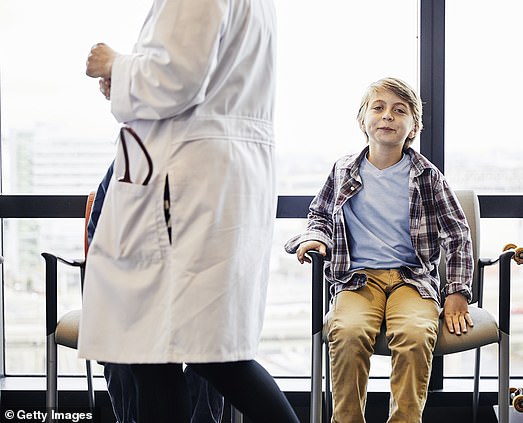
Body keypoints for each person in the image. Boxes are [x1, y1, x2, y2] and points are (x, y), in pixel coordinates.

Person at [78, 1, 299, 422]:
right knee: (179, 352)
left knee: (195, 354)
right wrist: (126, 78)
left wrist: (116, 64)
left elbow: (175, 79)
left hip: (184, 188)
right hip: (214, 179)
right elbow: (195, 74)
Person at [284, 77, 475, 422]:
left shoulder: (428, 177)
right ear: (362, 121)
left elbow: (457, 234)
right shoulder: (343, 170)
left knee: (416, 335)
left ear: (413, 127)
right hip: (357, 280)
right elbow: (320, 215)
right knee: (347, 332)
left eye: (399, 110)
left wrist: (457, 292)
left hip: (412, 281)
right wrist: (316, 238)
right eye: (379, 108)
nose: (388, 116)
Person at [87, 163, 224, 423]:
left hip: (194, 291)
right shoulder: (124, 166)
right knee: (119, 351)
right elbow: (99, 235)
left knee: (211, 344)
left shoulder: (204, 164)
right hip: (134, 291)